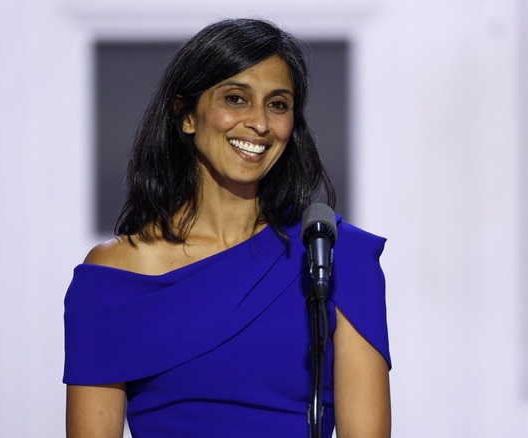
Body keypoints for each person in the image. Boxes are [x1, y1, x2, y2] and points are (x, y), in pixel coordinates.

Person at [63, 18, 391, 437]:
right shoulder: (113, 278)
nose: (259, 123)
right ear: (185, 115)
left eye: (278, 104)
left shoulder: (336, 254)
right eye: (236, 98)